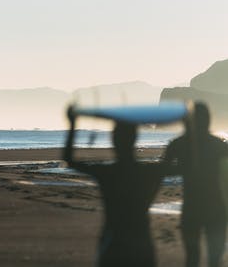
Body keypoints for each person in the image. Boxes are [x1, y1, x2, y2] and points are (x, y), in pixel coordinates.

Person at [63, 106, 166, 267]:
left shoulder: (107, 173)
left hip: (114, 241)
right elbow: (188, 168)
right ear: (134, 139)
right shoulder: (149, 171)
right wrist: (191, 129)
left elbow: (69, 160)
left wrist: (72, 123)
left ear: (114, 140)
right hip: (142, 242)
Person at [165, 102, 228, 267]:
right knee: (214, 261)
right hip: (216, 208)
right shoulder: (219, 145)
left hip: (192, 209)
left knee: (192, 259)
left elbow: (163, 171)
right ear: (208, 120)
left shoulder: (177, 144)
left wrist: (184, 168)